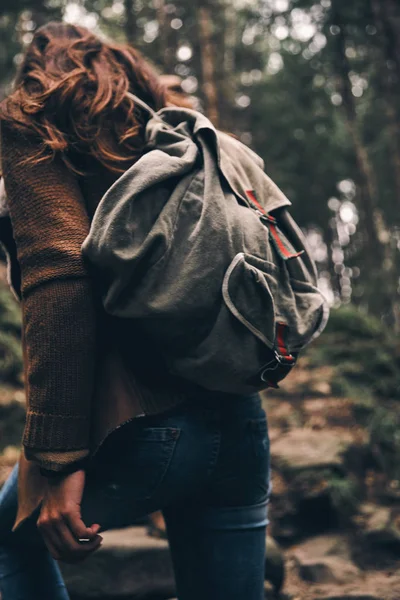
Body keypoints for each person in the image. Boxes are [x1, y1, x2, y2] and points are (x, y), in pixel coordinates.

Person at [0, 22, 270, 600]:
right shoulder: (175, 127)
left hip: (133, 425)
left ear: (35, 72)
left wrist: (59, 459)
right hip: (238, 414)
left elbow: (59, 282)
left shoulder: (31, 120)